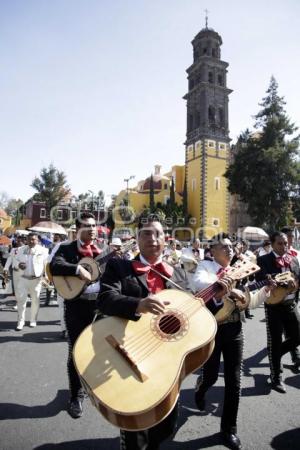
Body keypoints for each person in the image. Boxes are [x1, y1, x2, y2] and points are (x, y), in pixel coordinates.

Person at [97, 215, 192, 450]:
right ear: (137, 239)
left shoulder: (178, 274)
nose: (153, 238)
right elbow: (105, 299)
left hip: (167, 358)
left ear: (166, 239)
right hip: (129, 351)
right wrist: (138, 304)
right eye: (146, 233)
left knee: (166, 424)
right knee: (135, 425)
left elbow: (192, 310)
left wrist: (220, 296)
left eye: (158, 233)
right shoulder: (119, 266)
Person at [193, 233, 274, 450]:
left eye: (231, 247)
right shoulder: (205, 266)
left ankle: (228, 429)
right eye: (224, 247)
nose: (230, 250)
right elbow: (199, 284)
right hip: (211, 331)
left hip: (235, 330)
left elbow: (249, 301)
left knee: (234, 381)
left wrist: (265, 290)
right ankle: (201, 389)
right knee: (210, 376)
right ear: (212, 251)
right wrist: (224, 285)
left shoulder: (241, 269)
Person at [50, 212, 103, 419]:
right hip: (76, 306)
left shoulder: (103, 251)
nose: (92, 229)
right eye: (87, 226)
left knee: (99, 350)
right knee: (75, 351)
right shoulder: (67, 248)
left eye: (94, 225)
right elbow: (54, 266)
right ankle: (75, 395)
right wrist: (77, 269)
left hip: (99, 307)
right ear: (78, 228)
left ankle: (92, 386)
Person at [256, 231, 300, 390]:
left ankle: (276, 353)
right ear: (272, 244)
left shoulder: (293, 259)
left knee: (297, 337)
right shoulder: (263, 260)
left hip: (291, 304)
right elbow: (261, 278)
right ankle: (276, 377)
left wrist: (295, 282)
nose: (284, 246)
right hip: (274, 307)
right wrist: (282, 282)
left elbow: (298, 276)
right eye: (280, 244)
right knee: (274, 341)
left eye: (286, 243)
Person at [15, 232, 48, 330]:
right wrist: (18, 265)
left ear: (37, 240)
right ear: (26, 240)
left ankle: (33, 320)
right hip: (23, 279)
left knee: (35, 301)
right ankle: (20, 322)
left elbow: (46, 264)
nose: (31, 241)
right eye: (29, 239)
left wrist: (46, 277)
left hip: (36, 280)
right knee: (21, 301)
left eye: (34, 239)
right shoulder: (20, 249)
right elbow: (15, 260)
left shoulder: (44, 250)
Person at [3, 235, 25, 309]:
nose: (19, 242)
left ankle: (20, 304)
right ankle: (18, 302)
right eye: (17, 241)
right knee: (16, 289)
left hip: (23, 272)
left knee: (21, 288)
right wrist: (5, 268)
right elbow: (10, 259)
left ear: (24, 241)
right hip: (15, 271)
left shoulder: (27, 249)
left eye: (20, 241)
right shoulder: (13, 250)